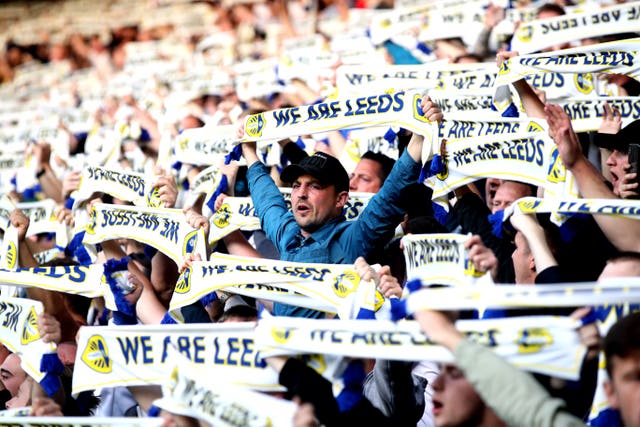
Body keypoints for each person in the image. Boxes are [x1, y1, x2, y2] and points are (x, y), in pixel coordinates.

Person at [238, 96, 442, 317]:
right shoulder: (288, 233)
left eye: (314, 186)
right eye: (296, 186)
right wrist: (248, 149)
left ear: (340, 199)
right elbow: (267, 201)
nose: (301, 194)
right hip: (284, 350)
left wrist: (421, 131)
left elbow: (393, 192)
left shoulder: (354, 238)